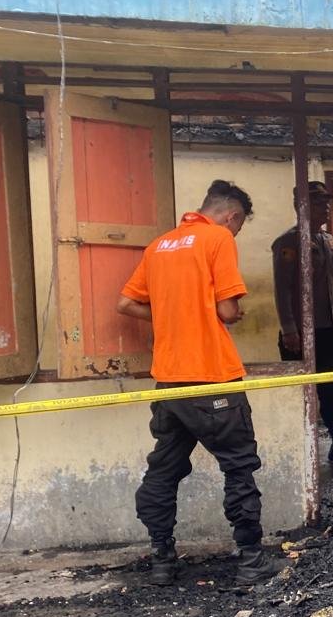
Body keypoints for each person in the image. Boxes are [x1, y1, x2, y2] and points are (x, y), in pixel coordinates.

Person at [117, 180, 283, 587]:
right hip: (213, 379)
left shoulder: (159, 245)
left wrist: (172, 314)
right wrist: (227, 312)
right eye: (238, 227)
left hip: (170, 383)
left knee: (163, 470)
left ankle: (162, 560)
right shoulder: (218, 239)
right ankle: (250, 560)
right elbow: (227, 310)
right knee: (239, 468)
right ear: (232, 216)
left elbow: (126, 303)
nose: (235, 234)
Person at [271, 180, 333, 464]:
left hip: (326, 330)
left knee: (332, 389)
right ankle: (294, 452)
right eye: (318, 203)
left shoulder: (326, 241)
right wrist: (289, 330)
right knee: (299, 394)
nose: (325, 208)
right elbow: (282, 290)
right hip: (300, 333)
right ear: (300, 206)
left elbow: (332, 286)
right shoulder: (288, 243)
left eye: (326, 202)